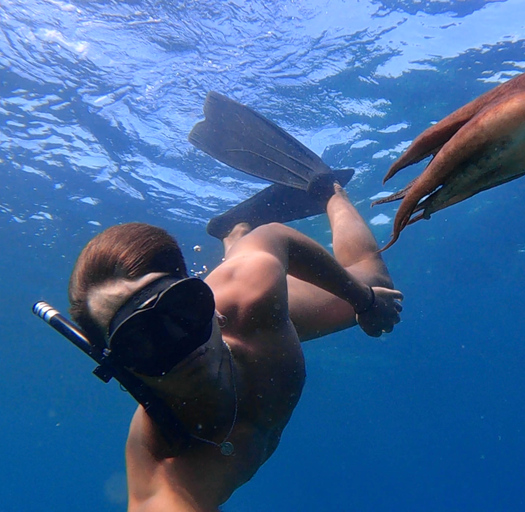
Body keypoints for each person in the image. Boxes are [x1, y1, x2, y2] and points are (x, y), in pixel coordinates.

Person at [64, 93, 404, 511]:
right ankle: (233, 230)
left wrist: (364, 300)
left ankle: (325, 189)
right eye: (141, 340)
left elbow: (274, 238)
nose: (182, 347)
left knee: (375, 282)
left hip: (253, 319)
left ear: (206, 300)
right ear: (119, 365)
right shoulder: (165, 467)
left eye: (182, 309)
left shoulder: (249, 296)